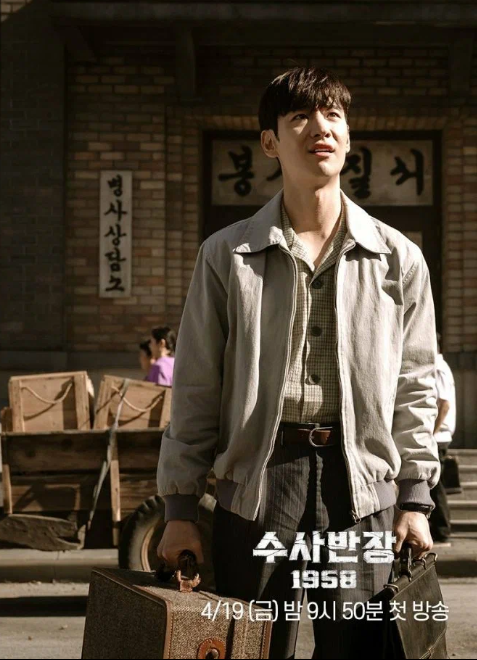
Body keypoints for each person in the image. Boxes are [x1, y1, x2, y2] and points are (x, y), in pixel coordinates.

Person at [156, 67, 440, 658]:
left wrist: (415, 499)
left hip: (360, 487)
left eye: (334, 115)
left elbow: (415, 384)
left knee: (357, 649)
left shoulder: (398, 258)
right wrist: (180, 507)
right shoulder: (227, 255)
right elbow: (197, 385)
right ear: (270, 142)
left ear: (348, 136)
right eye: (300, 117)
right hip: (260, 485)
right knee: (252, 647)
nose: (321, 128)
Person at [429, 333, 455, 544]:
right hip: (438, 436)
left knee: (435, 485)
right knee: (434, 485)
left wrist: (430, 433)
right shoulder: (438, 366)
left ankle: (442, 530)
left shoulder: (438, 367)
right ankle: (439, 529)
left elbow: (443, 404)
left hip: (437, 437)